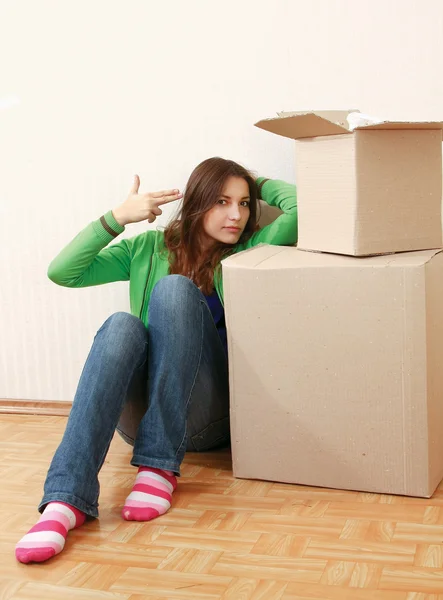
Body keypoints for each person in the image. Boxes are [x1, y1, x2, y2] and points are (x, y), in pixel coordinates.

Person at [15, 157, 298, 564]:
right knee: (121, 326)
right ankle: (65, 500)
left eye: (245, 202)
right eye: (222, 201)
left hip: (207, 417)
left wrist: (258, 180)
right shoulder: (146, 247)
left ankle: (158, 467)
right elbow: (64, 272)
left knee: (173, 291)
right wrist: (116, 218)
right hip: (138, 421)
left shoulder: (252, 248)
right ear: (198, 202)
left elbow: (301, 210)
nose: (236, 215)